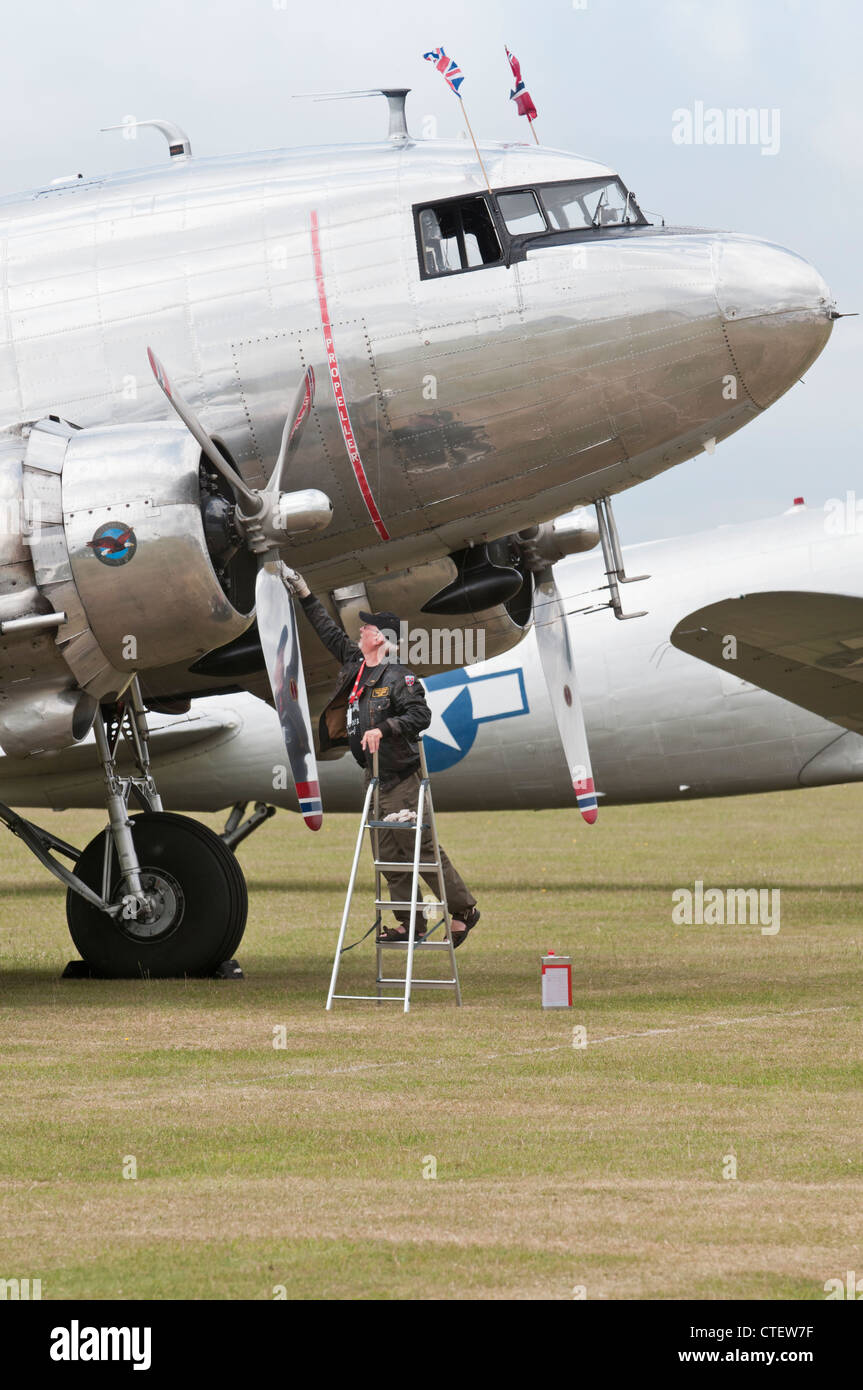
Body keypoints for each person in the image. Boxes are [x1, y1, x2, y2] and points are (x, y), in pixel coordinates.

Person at [281, 566, 480, 948]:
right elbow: (328, 631)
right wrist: (305, 593)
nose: (360, 630)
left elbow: (420, 716)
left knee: (416, 848)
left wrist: (383, 729)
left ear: (383, 639)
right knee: (388, 853)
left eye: (368, 628)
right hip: (374, 778)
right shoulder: (356, 665)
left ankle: (463, 910)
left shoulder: (398, 677)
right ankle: (412, 923)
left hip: (401, 777)